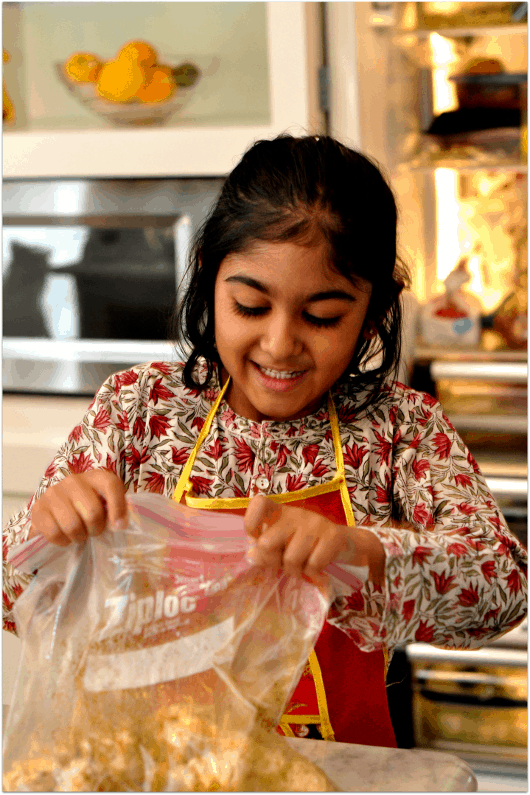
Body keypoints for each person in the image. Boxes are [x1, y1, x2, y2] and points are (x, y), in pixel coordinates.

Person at [3, 135, 527, 747]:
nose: (280, 344)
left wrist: (360, 553)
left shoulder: (401, 432)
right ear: (207, 273)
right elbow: (15, 600)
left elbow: (500, 590)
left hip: (338, 779)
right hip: (156, 771)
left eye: (323, 317)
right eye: (250, 306)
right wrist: (48, 536)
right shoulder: (138, 413)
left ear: (374, 307)